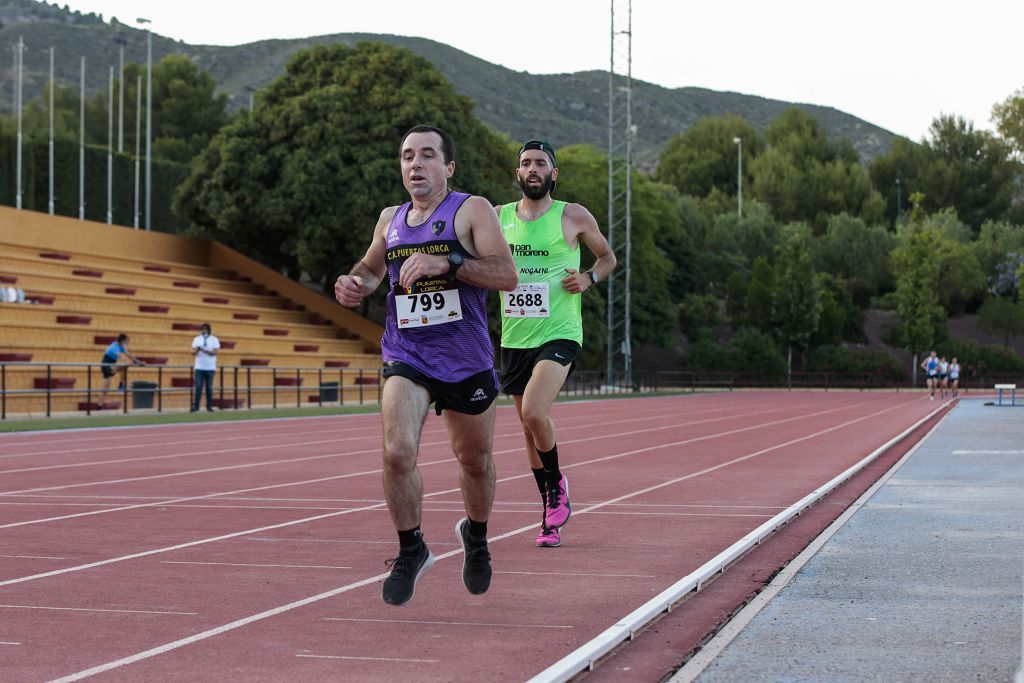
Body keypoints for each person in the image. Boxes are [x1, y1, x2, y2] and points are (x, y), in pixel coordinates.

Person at [334, 125, 517, 606]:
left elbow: (507, 274)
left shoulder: (472, 209)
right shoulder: (390, 219)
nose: (415, 164)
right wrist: (355, 282)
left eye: (427, 155)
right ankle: (411, 548)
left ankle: (476, 537)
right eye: (407, 156)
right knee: (397, 452)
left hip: (466, 358)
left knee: (474, 462)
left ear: (448, 166)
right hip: (407, 352)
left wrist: (451, 263)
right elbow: (373, 268)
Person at [497, 139, 617, 548]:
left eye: (541, 163)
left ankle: (556, 487)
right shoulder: (498, 218)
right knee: (529, 430)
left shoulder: (573, 215)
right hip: (515, 335)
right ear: (518, 173)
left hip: (560, 331)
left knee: (534, 411)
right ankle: (549, 513)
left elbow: (607, 258)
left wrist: (589, 278)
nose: (533, 169)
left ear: (553, 173)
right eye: (526, 163)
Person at [98, 333, 145, 403]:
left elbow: (129, 355)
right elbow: (121, 356)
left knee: (105, 389)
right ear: (122, 341)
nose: (127, 342)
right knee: (124, 366)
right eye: (126, 340)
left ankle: (99, 406)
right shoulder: (114, 347)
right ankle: (121, 386)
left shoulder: (122, 346)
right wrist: (127, 362)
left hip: (112, 365)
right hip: (106, 366)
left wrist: (139, 362)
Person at [190, 323, 220, 412]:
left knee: (209, 388)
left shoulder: (214, 339)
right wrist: (197, 351)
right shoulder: (197, 339)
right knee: (198, 387)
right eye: (202, 329)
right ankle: (196, 406)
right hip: (199, 366)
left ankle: (209, 406)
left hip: (210, 367)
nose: (204, 331)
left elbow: (215, 352)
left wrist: (205, 350)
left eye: (205, 329)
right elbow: (192, 352)